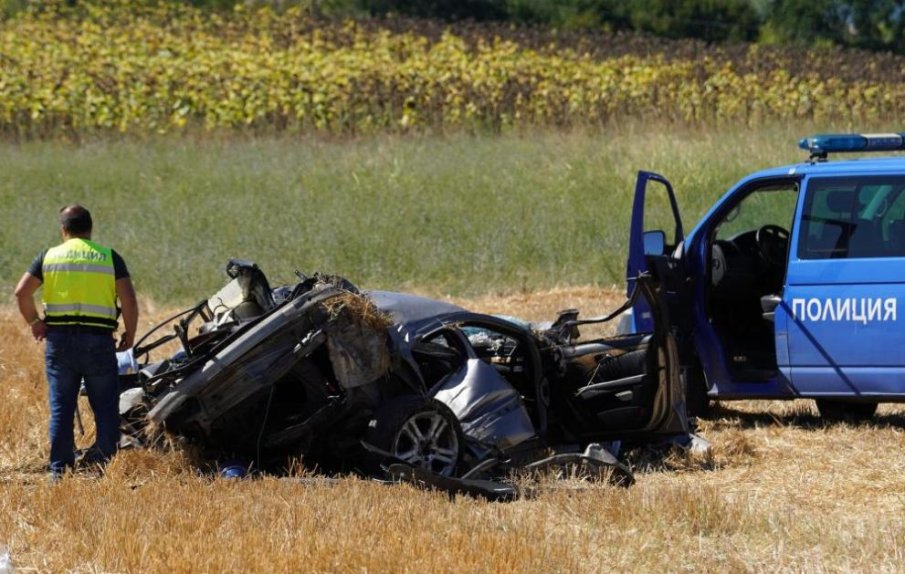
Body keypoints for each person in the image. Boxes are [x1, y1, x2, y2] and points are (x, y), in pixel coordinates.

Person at [14, 204, 138, 478]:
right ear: (90, 229)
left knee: (62, 408)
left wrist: (36, 323)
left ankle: (59, 472)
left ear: (63, 230)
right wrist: (130, 332)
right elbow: (129, 299)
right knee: (106, 408)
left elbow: (22, 292)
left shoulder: (48, 257)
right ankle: (103, 464)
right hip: (98, 342)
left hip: (60, 344)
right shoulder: (109, 257)